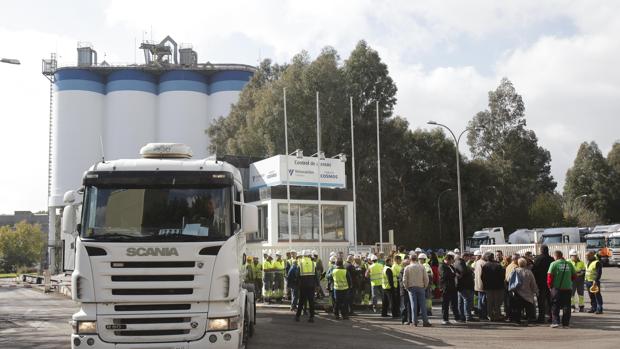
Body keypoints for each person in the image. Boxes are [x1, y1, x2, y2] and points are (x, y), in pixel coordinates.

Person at [547, 250, 576, 328]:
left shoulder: (553, 264)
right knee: (566, 306)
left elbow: (549, 277)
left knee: (555, 305)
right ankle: (565, 323)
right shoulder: (569, 264)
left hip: (556, 288)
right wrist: (568, 282)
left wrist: (550, 287)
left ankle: (555, 322)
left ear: (556, 256)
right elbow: (574, 276)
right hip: (567, 288)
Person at [403, 254, 431, 327]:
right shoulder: (421, 267)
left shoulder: (407, 267)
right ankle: (425, 321)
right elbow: (426, 278)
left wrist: (406, 287)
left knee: (413, 305)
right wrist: (425, 286)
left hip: (411, 288)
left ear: (410, 259)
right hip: (421, 287)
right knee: (423, 305)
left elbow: (404, 279)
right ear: (417, 259)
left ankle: (414, 322)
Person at [509, 258, 538, 326]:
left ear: (518, 263)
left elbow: (510, 280)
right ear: (525, 264)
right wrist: (535, 291)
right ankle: (528, 320)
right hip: (528, 293)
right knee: (528, 308)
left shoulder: (515, 271)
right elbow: (533, 283)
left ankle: (517, 320)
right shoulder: (529, 272)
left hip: (517, 292)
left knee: (518, 308)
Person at [295, 250, 319, 323]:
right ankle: (311, 317)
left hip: (303, 285)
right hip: (311, 285)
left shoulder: (300, 264)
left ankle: (297, 316)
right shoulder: (313, 263)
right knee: (311, 301)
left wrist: (297, 284)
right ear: (309, 256)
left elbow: (297, 275)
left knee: (301, 301)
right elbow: (316, 276)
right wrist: (317, 285)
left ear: (303, 256)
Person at [533, 245, 555, 323]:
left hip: (540, 283)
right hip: (550, 283)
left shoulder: (537, 259)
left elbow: (534, 271)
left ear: (541, 250)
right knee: (550, 301)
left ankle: (541, 318)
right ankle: (551, 317)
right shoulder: (552, 259)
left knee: (540, 301)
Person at [481, 252, 505, 322]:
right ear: (493, 257)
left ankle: (490, 316)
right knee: (497, 302)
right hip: (498, 286)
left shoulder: (485, 266)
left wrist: (485, 284)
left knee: (489, 302)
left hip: (488, 287)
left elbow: (482, 277)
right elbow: (502, 276)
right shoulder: (498, 265)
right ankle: (497, 315)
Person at [454, 252, 476, 322]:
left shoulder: (456, 262)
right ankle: (468, 316)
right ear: (464, 257)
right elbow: (463, 271)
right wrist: (470, 270)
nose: (468, 259)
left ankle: (462, 316)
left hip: (460, 285)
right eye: (468, 257)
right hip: (465, 285)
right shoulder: (461, 262)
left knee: (461, 301)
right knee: (467, 300)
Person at [439, 253, 460, 325]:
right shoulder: (442, 266)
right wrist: (454, 275)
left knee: (454, 303)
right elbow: (444, 275)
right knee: (445, 304)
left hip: (453, 287)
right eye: (451, 260)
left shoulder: (450, 266)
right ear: (447, 260)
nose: (452, 262)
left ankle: (457, 317)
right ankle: (445, 319)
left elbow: (455, 272)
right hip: (446, 288)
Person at [504, 254, 519, 320]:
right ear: (515, 259)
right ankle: (514, 316)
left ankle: (509, 315)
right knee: (514, 302)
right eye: (518, 259)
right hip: (513, 286)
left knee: (509, 302)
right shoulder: (516, 267)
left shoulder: (508, 266)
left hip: (507, 285)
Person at [474, 251, 488, 320]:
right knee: (483, 301)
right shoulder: (484, 263)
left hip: (478, 284)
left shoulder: (477, 262)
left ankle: (480, 315)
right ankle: (483, 315)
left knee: (480, 300)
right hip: (483, 285)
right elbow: (485, 276)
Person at [399, 258, 412, 325]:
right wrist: (406, 288)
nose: (408, 265)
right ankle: (404, 320)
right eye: (407, 264)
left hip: (409, 290)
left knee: (409, 306)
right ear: (404, 265)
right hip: (404, 291)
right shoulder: (402, 271)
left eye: (409, 264)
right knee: (404, 306)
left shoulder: (409, 271)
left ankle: (410, 320)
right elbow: (402, 282)